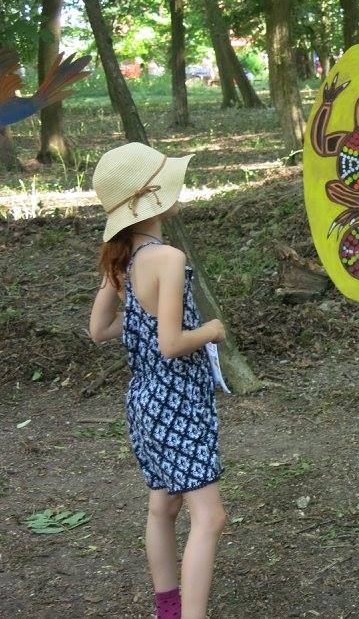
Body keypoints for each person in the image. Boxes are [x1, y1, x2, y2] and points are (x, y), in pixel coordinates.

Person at [88, 143, 228, 619]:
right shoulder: (167, 258)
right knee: (210, 517)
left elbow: (99, 329)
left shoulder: (125, 259)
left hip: (144, 400)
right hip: (178, 401)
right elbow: (171, 343)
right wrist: (211, 330)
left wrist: (137, 320)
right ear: (153, 198)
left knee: (163, 507)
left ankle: (168, 608)